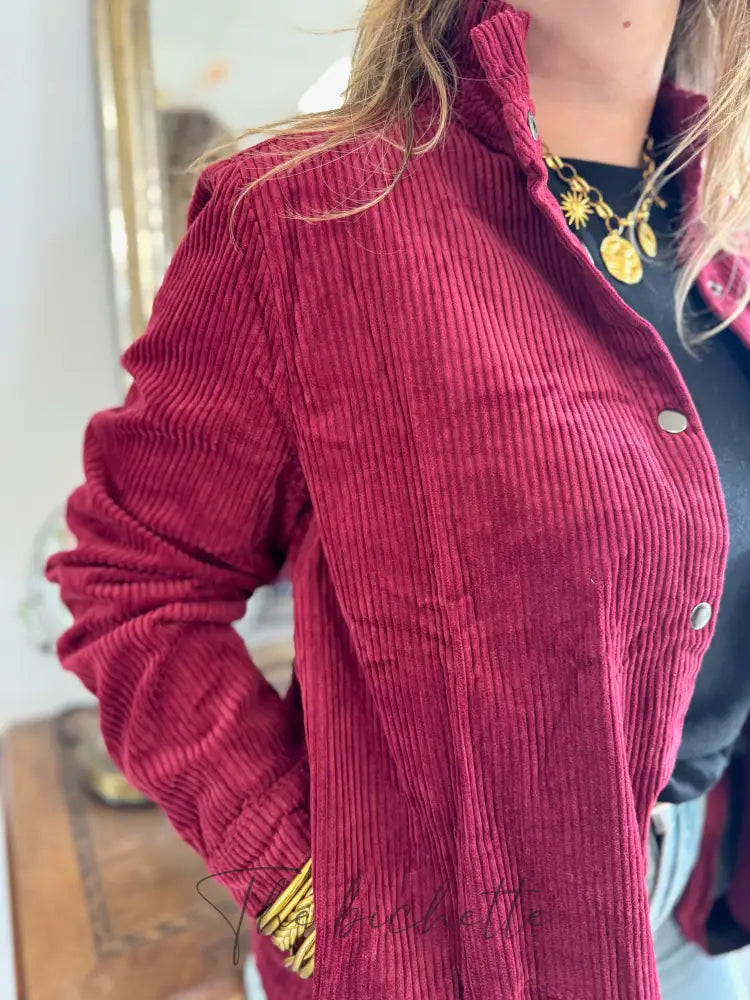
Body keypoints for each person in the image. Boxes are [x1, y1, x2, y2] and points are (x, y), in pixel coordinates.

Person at [46, 1, 750, 998]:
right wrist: (313, 896)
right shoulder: (308, 215)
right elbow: (133, 587)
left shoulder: (726, 224)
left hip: (698, 904)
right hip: (457, 948)